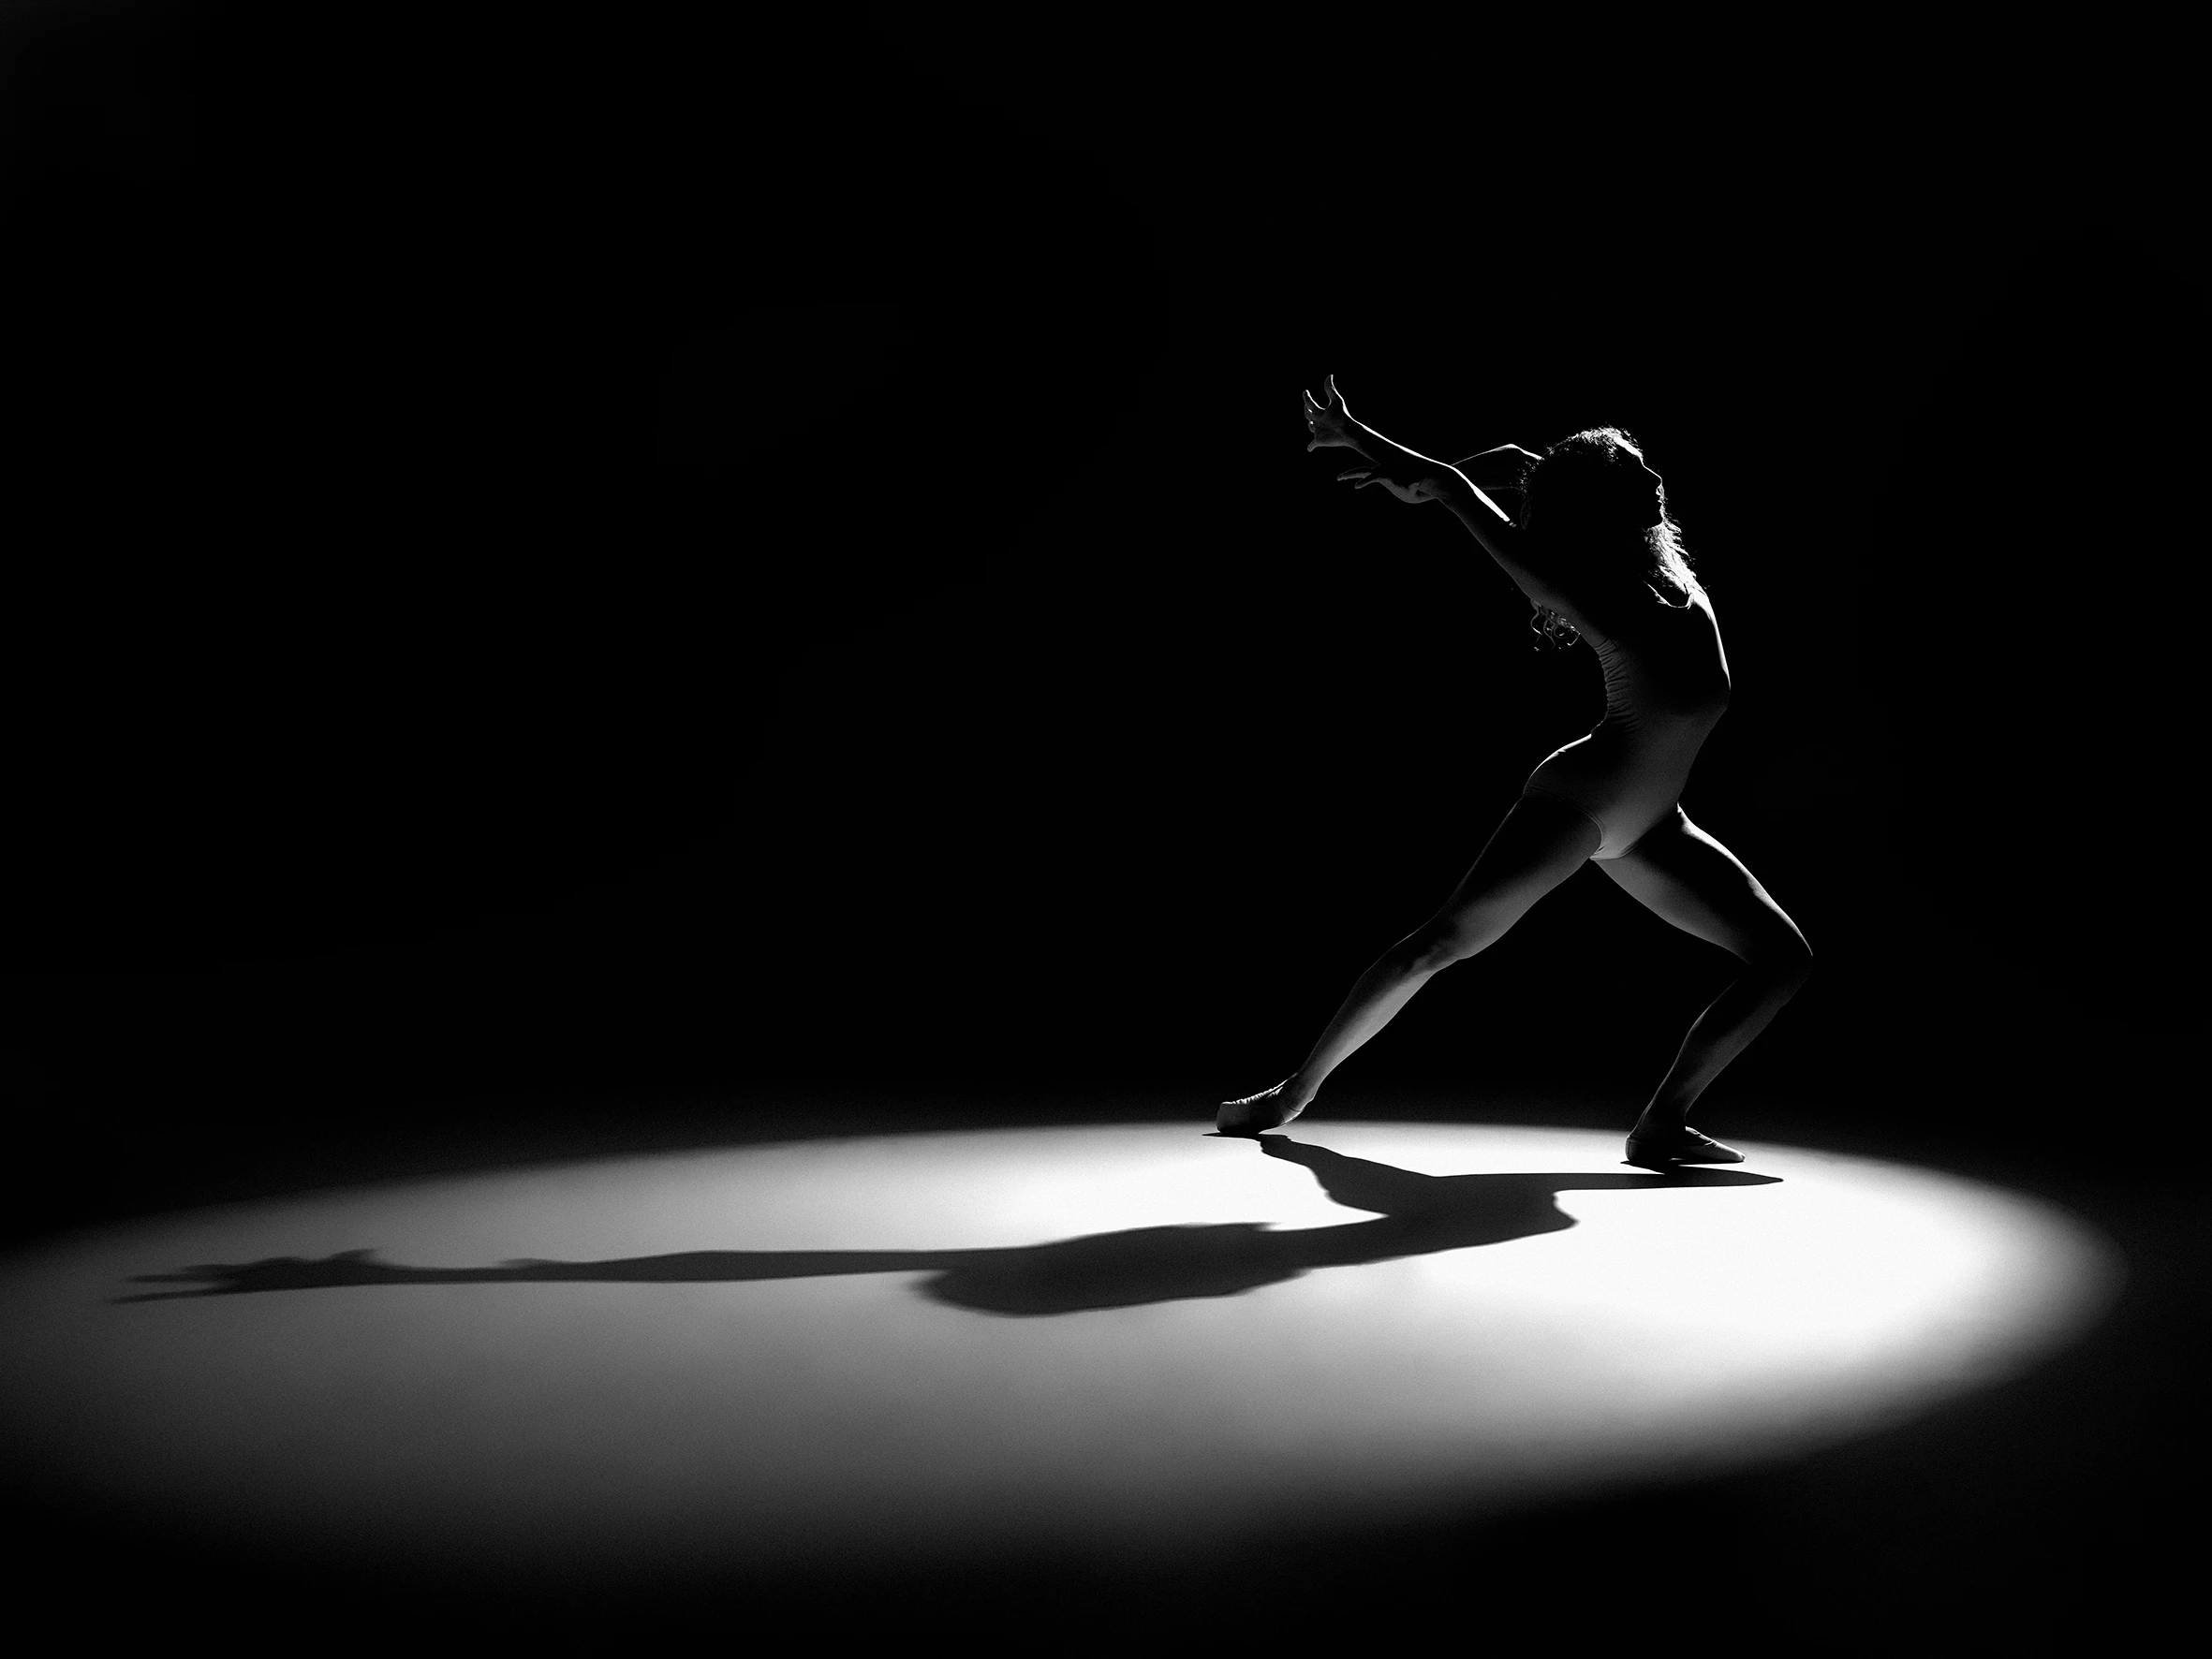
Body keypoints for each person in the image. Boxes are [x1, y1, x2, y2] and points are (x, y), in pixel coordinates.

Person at [1217, 378, 1812, 1169]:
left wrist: (1444, 470)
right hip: (1585, 800)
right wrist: (1370, 443)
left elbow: (1518, 466)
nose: (1655, 478)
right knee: (1438, 946)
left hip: (1656, 821)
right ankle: (1291, 1092)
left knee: (1783, 961)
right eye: (1636, 471)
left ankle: (1661, 1124)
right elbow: (1464, 488)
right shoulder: (1589, 588)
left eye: (1646, 464)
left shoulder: (1659, 566)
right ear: (1604, 501)